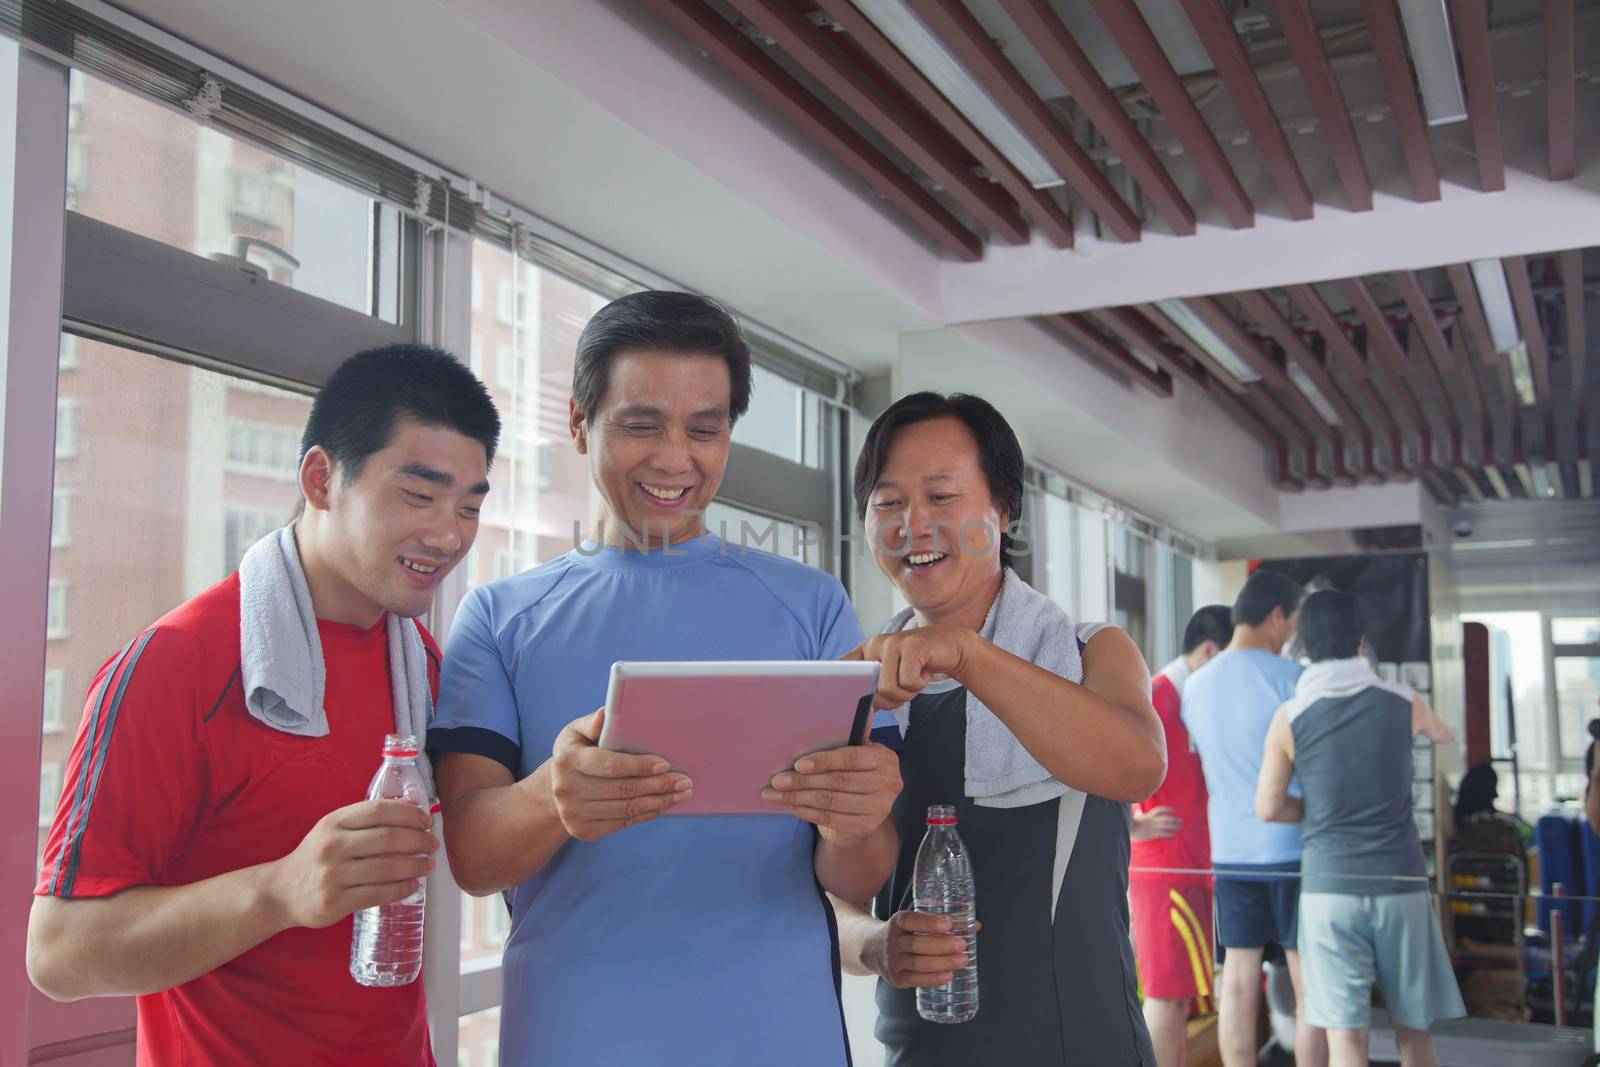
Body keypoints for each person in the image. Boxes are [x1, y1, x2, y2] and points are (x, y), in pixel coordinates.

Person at [426, 290, 902, 1066]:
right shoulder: (499, 616)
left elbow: (862, 866)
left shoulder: (814, 607)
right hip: (574, 1034)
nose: (675, 458)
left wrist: (853, 819)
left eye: (704, 430)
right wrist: (555, 793)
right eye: (641, 424)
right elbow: (474, 860)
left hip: (780, 1033)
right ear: (579, 424)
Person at [27, 346, 500, 1066]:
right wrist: (281, 890)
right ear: (320, 479)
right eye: (418, 494)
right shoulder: (175, 667)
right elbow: (58, 952)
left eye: (469, 504)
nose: (448, 535)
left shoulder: (424, 669)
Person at [830, 391, 1166, 1066]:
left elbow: (1136, 764)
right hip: (919, 1051)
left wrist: (968, 654)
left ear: (1002, 511)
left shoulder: (1088, 651)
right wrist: (873, 941)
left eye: (942, 497)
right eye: (889, 503)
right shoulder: (859, 689)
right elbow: (831, 893)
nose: (912, 525)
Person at [1256, 589, 1463, 1067]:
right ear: (1361, 640)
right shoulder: (1402, 700)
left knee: (1347, 1040)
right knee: (1414, 1032)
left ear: (1303, 641)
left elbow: (1268, 806)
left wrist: (1318, 812)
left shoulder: (1290, 716)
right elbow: (1444, 734)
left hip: (1330, 889)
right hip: (1402, 884)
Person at [1182, 569, 1325, 1067]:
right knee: (1311, 985)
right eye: (1292, 622)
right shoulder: (1296, 679)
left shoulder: (1196, 686)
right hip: (1291, 848)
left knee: (1238, 976)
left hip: (1231, 851)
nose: (1292, 634)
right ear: (1278, 616)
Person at [1130, 604, 1234, 1067]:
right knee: (1167, 998)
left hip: (1196, 867)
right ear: (1209, 651)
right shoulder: (1156, 696)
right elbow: (1101, 766)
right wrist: (1130, 823)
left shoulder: (1197, 700)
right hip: (1165, 870)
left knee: (1186, 997)